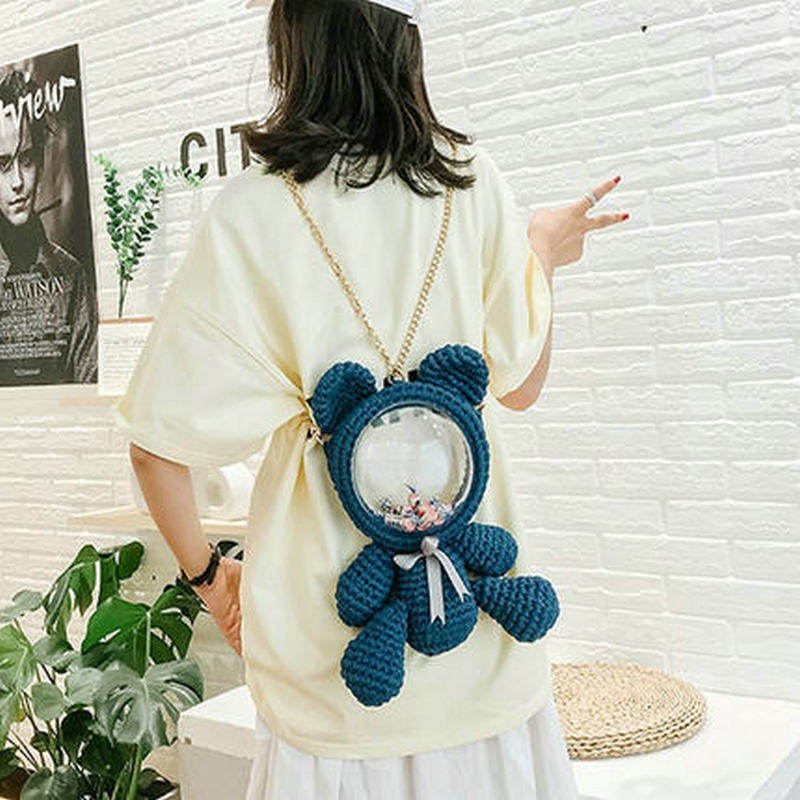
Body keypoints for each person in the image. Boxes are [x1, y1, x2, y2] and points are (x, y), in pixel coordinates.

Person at [115, 0, 627, 796]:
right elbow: (519, 386)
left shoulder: (255, 209)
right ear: (404, 38)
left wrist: (213, 579)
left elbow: (156, 449)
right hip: (482, 658)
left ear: (295, 37)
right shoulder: (470, 180)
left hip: (330, 676)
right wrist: (542, 254)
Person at [0, 67, 98, 385]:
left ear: (41, 164)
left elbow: (89, 386)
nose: (17, 182)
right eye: (2, 165)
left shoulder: (71, 276)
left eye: (27, 160)